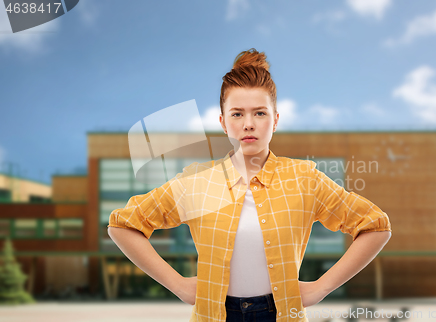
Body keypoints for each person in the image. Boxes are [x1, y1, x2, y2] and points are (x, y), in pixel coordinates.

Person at [107, 48, 392, 322]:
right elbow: (123, 225)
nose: (248, 124)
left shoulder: (304, 179)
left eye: (259, 113)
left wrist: (321, 288)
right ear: (222, 122)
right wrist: (179, 285)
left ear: (275, 120)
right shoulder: (196, 181)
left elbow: (375, 226)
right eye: (237, 114)